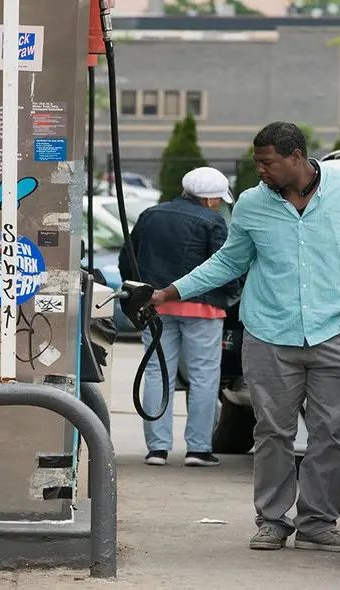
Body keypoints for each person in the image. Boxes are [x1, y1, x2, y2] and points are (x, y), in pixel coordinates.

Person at [149, 122, 340, 553]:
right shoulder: (251, 204)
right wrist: (171, 291)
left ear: (296, 157)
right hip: (269, 333)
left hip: (337, 332)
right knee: (272, 433)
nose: (259, 171)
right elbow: (229, 260)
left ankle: (318, 524)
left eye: (267, 162)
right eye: (256, 163)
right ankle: (271, 521)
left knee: (331, 436)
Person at [119, 167, 239, 468]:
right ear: (211, 199)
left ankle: (157, 449)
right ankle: (198, 449)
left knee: (157, 374)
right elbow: (225, 265)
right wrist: (233, 293)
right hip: (204, 308)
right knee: (203, 377)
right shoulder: (213, 221)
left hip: (155, 306)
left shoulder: (150, 214)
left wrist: (140, 291)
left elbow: (127, 258)